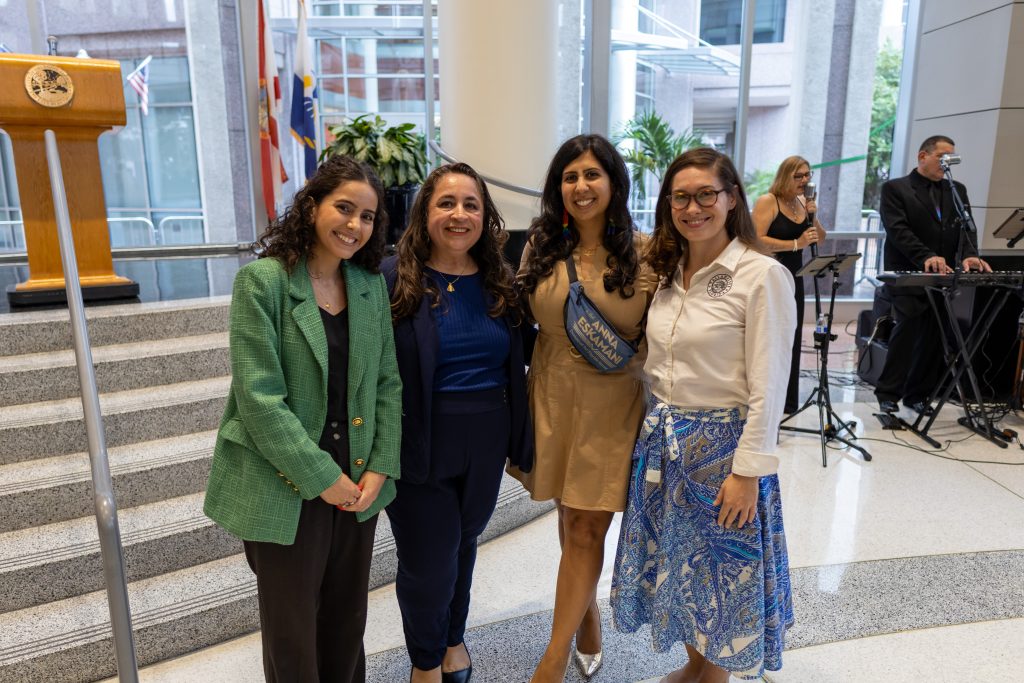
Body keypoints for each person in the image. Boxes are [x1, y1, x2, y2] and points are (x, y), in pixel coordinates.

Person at [203, 155, 401, 683]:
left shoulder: (368, 286)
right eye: (344, 208)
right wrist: (323, 480)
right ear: (311, 206)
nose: (354, 225)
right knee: (293, 638)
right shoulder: (263, 283)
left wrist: (380, 466)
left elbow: (386, 384)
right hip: (286, 479)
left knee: (346, 624)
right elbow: (259, 399)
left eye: (366, 216)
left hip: (357, 477)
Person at [611, 147, 795, 682]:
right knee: (681, 570)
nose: (694, 208)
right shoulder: (667, 274)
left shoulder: (759, 275)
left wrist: (746, 472)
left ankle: (712, 678)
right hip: (665, 445)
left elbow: (770, 384)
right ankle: (694, 668)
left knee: (720, 575)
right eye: (681, 197)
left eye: (706, 195)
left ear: (732, 197)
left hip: (722, 453)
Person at [509, 134, 658, 682]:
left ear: (614, 183)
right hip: (549, 396)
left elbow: (662, 333)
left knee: (586, 529)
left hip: (613, 403)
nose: (580, 186)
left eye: (592, 174)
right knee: (570, 514)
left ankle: (550, 663)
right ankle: (586, 612)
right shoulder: (541, 248)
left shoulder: (646, 251)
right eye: (570, 177)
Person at [383, 162, 534, 683]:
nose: (459, 214)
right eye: (446, 203)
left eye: (471, 204)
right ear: (425, 213)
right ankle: (425, 663)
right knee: (428, 564)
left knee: (464, 543)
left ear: (485, 217)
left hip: (487, 439)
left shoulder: (500, 282)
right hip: (419, 439)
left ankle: (453, 637)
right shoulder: (392, 280)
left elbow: (521, 364)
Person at [875, 135, 991, 415]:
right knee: (907, 330)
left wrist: (969, 255)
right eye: (941, 156)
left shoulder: (956, 189)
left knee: (933, 335)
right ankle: (888, 393)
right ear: (922, 156)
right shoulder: (896, 188)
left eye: (950, 156)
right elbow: (898, 230)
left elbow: (967, 227)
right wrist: (926, 256)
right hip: (906, 272)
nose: (946, 162)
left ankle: (918, 395)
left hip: (943, 275)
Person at [751, 156, 826, 413]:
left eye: (808, 175)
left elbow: (820, 238)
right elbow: (755, 240)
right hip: (770, 276)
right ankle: (764, 401)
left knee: (791, 337)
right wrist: (796, 244)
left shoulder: (803, 203)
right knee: (769, 339)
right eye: (799, 176)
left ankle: (787, 402)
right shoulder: (768, 201)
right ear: (785, 176)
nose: (805, 181)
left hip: (795, 277)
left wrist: (813, 214)